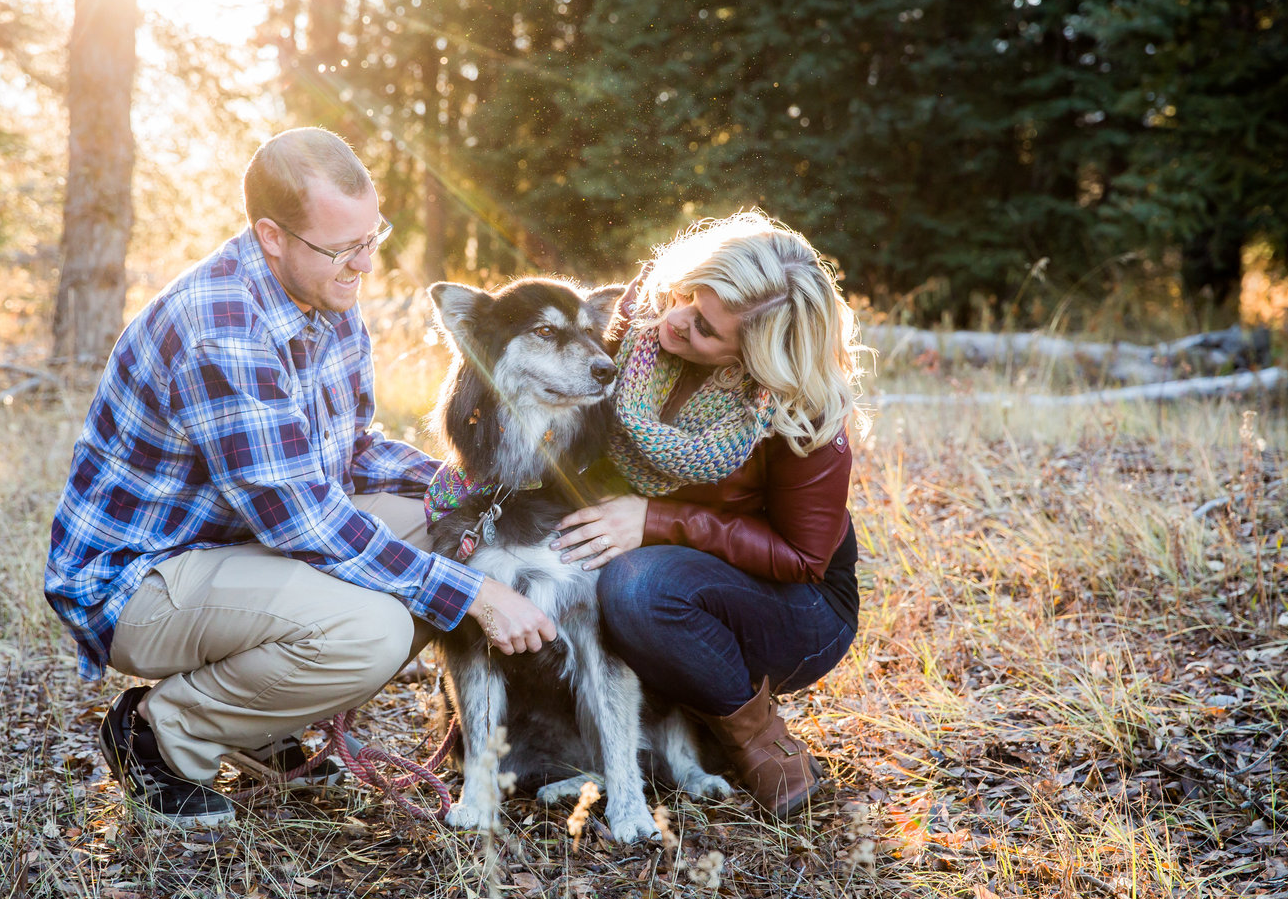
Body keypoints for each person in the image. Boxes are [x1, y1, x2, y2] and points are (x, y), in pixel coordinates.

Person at [44, 128, 554, 826]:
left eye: (372, 237)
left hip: (234, 548)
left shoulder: (325, 292)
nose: (365, 263)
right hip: (140, 580)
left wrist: (474, 490)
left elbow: (352, 453)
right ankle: (161, 734)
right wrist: (478, 594)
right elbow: (302, 517)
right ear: (272, 237)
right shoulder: (221, 327)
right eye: (343, 248)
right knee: (372, 630)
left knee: (446, 529)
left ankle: (257, 723)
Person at [553, 210, 865, 819]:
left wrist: (657, 520)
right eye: (686, 294)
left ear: (753, 358)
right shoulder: (638, 322)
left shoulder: (802, 409)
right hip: (667, 564)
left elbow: (803, 558)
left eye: (703, 327)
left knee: (637, 587)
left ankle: (758, 741)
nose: (674, 319)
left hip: (795, 607)